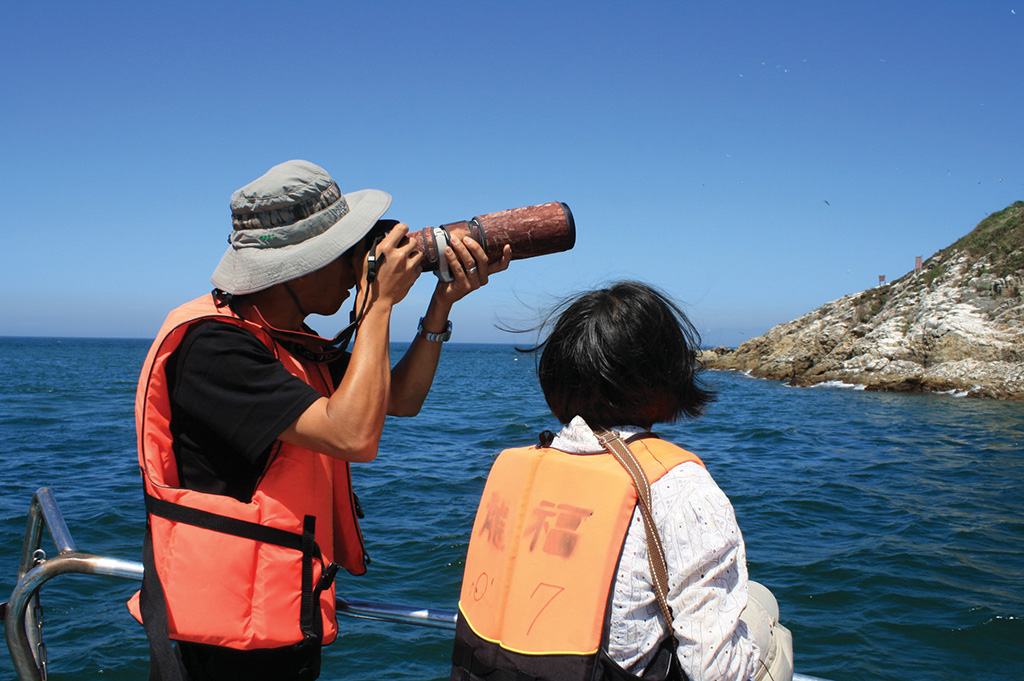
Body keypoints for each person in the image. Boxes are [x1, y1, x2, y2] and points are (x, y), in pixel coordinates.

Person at [128, 159, 511, 681]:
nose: (354, 268)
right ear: (296, 266)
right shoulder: (213, 348)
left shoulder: (290, 340)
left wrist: (440, 306)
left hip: (276, 611)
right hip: (215, 640)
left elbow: (398, 399)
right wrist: (376, 308)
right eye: (343, 255)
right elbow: (353, 435)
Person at [450, 281, 793, 681]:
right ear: (665, 377)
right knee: (766, 612)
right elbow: (716, 672)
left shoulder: (517, 468)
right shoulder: (679, 487)